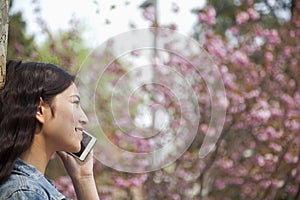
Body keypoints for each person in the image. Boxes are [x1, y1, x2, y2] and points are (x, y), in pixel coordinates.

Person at [0, 60, 99, 199]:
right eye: (75, 103)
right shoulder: (25, 193)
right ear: (40, 110)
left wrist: (84, 178)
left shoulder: (32, 189)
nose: (84, 118)